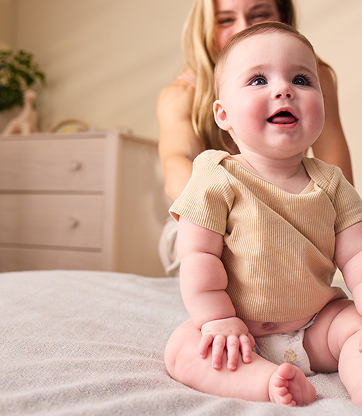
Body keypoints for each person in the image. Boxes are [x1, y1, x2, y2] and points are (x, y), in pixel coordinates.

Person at [165, 22, 362, 406]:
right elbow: (197, 256)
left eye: (302, 79)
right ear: (223, 115)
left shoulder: (333, 183)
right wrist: (218, 320)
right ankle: (269, 382)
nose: (284, 89)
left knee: (356, 330)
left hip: (316, 327)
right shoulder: (216, 175)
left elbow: (356, 257)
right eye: (258, 80)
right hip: (239, 335)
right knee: (183, 348)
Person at [157, 0, 353, 277]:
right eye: (225, 20)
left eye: (259, 15)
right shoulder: (181, 95)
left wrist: (304, 219)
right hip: (207, 217)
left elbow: (339, 176)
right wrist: (247, 218)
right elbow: (175, 166)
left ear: (282, 17)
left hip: (294, 211)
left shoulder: (316, 77)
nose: (243, 28)